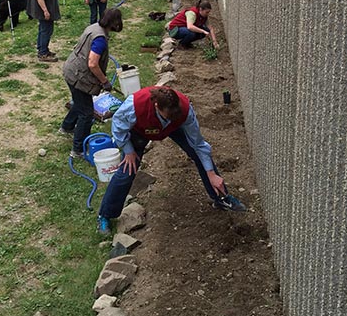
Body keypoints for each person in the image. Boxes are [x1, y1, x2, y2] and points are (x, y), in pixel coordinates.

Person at [96, 85, 246, 234]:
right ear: (157, 106)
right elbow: (118, 124)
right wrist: (129, 151)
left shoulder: (184, 111)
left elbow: (199, 145)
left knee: (198, 155)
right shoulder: (135, 105)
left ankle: (221, 198)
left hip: (175, 126)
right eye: (167, 115)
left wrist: (211, 173)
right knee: (127, 170)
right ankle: (105, 215)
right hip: (141, 129)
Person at [59, 7, 124, 159]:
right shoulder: (100, 39)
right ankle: (78, 150)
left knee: (80, 103)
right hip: (79, 77)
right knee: (86, 113)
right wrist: (104, 81)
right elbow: (93, 64)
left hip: (71, 69)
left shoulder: (94, 27)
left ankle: (67, 127)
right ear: (115, 22)